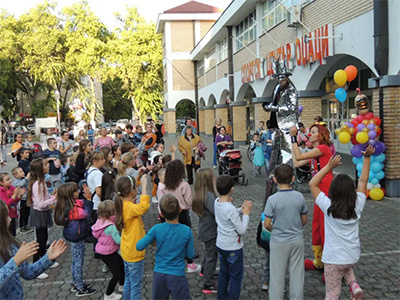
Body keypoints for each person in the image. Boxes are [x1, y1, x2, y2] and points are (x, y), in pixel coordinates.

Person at [309, 147, 374, 300]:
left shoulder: (328, 206)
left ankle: (353, 285)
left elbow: (312, 184)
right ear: (352, 191)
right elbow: (363, 180)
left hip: (333, 259)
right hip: (352, 255)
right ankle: (354, 286)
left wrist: (329, 167)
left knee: (333, 293)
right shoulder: (357, 205)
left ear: (332, 191)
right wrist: (367, 158)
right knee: (346, 267)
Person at [290, 123, 334, 273]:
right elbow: (296, 162)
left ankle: (330, 265)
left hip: (325, 188)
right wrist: (292, 141)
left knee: (324, 224)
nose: (310, 133)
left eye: (313, 132)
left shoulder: (322, 148)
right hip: (318, 188)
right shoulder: (315, 151)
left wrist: (293, 137)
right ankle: (320, 260)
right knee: (317, 224)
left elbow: (299, 155)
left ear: (321, 135)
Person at [0, 200, 66, 300]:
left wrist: (47, 258)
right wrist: (15, 261)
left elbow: (27, 273)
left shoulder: (10, 244)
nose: (10, 219)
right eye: (6, 215)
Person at [136, 194, 194, 300]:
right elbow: (190, 254)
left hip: (160, 274)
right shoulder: (186, 230)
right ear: (180, 209)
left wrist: (150, 239)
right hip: (177, 275)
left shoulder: (156, 229)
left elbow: (139, 246)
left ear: (161, 214)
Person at [264, 164, 308, 300]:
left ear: (275, 180)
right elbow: (304, 219)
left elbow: (266, 224)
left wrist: (276, 229)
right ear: (293, 179)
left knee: (277, 274)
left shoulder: (272, 200)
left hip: (278, 241)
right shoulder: (299, 197)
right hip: (296, 239)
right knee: (297, 273)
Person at [53, 182, 96, 297]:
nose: (78, 192)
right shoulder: (71, 209)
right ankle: (80, 288)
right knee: (78, 262)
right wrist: (88, 200)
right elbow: (86, 213)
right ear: (70, 195)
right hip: (77, 237)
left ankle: (75, 283)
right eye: (76, 191)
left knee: (75, 261)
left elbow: (79, 204)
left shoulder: (66, 205)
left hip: (73, 235)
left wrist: (85, 198)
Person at [159, 159, 201, 273]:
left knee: (171, 236)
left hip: (169, 212)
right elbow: (189, 201)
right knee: (186, 237)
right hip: (182, 213)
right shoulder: (184, 185)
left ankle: (173, 258)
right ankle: (190, 262)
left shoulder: (166, 185)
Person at [214, 175, 252, 300]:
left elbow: (229, 214)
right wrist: (245, 214)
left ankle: (221, 297)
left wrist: (240, 210)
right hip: (233, 247)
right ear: (232, 189)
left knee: (224, 274)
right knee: (235, 277)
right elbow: (241, 229)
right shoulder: (229, 208)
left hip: (221, 245)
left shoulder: (217, 202)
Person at [114, 174, 150, 300]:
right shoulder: (130, 207)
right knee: (136, 285)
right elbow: (144, 207)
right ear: (132, 191)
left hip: (126, 250)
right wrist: (145, 187)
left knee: (128, 281)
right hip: (134, 253)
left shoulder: (123, 204)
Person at [27, 158, 58, 279]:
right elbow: (40, 203)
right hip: (39, 213)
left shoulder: (41, 181)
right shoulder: (38, 184)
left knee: (44, 238)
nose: (48, 166)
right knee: (40, 240)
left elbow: (43, 197)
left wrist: (50, 196)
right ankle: (36, 266)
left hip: (43, 213)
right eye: (45, 164)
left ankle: (45, 261)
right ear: (40, 169)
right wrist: (53, 199)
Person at [193, 168, 218, 294]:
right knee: (211, 256)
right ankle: (208, 283)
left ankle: (204, 270)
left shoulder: (200, 193)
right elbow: (216, 212)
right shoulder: (208, 195)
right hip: (211, 231)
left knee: (209, 253)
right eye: (213, 177)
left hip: (205, 229)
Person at [92, 200, 124, 300]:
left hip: (104, 251)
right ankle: (108, 294)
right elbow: (118, 241)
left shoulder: (101, 221)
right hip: (108, 252)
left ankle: (122, 285)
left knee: (121, 264)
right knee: (116, 273)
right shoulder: (111, 227)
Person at [0, 172, 24, 236]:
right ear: (1, 182)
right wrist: (15, 194)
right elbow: (5, 204)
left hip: (13, 213)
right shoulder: (1, 191)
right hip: (7, 215)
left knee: (13, 232)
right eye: (7, 179)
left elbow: (15, 201)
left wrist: (20, 196)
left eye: (10, 178)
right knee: (9, 233)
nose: (10, 180)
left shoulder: (11, 187)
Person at [12, 167, 32, 234]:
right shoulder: (17, 182)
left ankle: (26, 225)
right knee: (23, 214)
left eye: (22, 171)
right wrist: (26, 178)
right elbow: (21, 184)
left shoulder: (24, 179)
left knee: (27, 213)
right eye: (20, 172)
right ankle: (22, 227)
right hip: (22, 200)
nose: (23, 172)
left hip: (27, 199)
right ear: (16, 175)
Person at [87, 151, 105, 223]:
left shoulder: (90, 170)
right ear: (95, 161)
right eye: (102, 159)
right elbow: (98, 191)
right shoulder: (97, 174)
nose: (104, 161)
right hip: (98, 204)